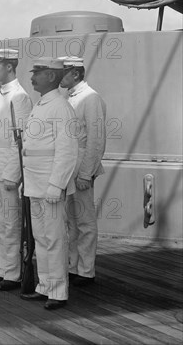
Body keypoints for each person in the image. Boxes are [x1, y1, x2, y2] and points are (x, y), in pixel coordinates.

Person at [20, 57, 78, 310]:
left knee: (54, 238)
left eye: (39, 72)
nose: (33, 77)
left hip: (50, 186)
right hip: (35, 183)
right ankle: (45, 286)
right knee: (40, 238)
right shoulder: (41, 104)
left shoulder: (60, 107)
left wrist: (57, 185)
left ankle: (57, 291)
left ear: (52, 77)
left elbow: (67, 151)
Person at [0, 49, 33, 290]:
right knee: (0, 223)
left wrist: (13, 174)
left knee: (11, 223)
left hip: (7, 170)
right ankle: (2, 269)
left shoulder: (19, 98)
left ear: (10, 67)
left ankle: (12, 274)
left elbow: (20, 140)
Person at [59, 56, 107, 287]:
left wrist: (86, 174)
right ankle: (73, 266)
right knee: (71, 221)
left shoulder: (91, 98)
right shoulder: (69, 97)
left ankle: (86, 270)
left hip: (81, 169)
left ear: (76, 74)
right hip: (69, 169)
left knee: (85, 221)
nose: (60, 77)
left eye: (64, 72)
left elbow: (96, 141)